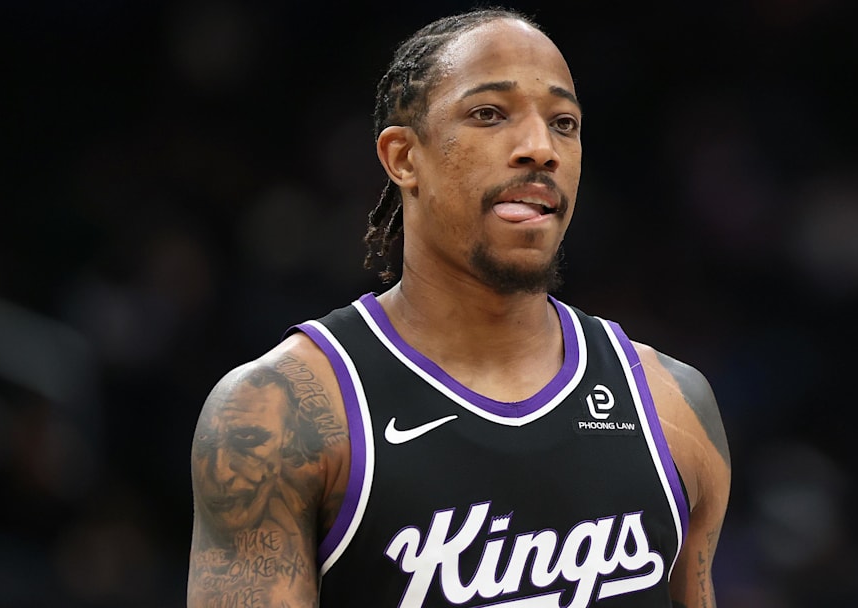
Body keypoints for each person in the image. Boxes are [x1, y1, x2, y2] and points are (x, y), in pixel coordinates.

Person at [188, 6, 731, 607]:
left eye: (564, 123)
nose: (539, 148)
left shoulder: (672, 406)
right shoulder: (281, 414)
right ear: (402, 158)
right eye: (489, 114)